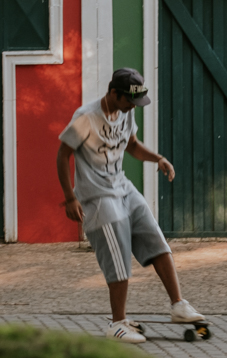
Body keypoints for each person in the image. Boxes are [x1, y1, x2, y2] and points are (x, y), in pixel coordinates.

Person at [57, 68, 206, 343]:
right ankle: (117, 323)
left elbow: (132, 145)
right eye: (128, 101)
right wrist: (70, 197)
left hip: (122, 187)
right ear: (114, 93)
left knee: (156, 238)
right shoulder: (86, 117)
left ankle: (178, 305)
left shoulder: (127, 112)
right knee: (119, 255)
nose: (131, 107)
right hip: (97, 197)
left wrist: (158, 158)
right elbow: (63, 154)